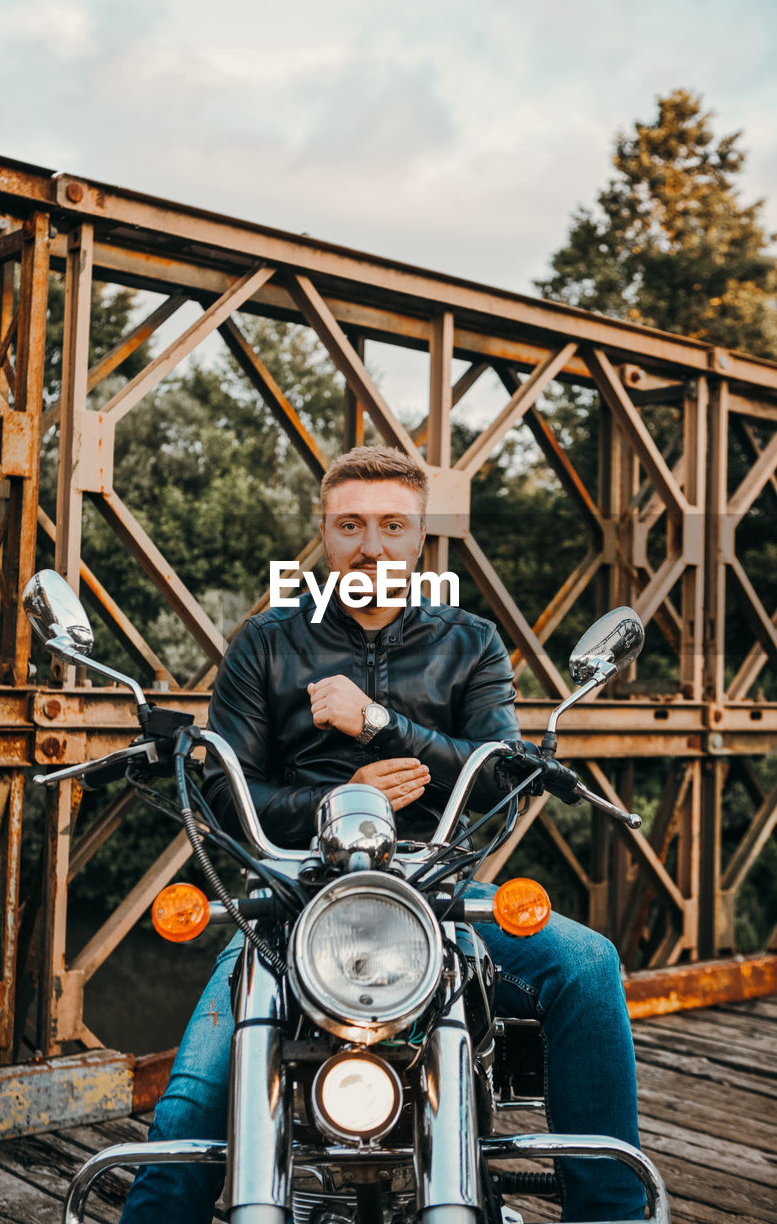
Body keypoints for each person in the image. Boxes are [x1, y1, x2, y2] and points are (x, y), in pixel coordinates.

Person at [121, 445, 645, 1224]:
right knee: (196, 1087)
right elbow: (225, 796)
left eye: (392, 525)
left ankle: (610, 1214)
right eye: (351, 524)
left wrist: (380, 724)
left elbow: (503, 771)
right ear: (324, 533)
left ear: (420, 537)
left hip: (434, 890)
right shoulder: (265, 642)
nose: (371, 545)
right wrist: (340, 795)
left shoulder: (469, 641)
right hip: (293, 894)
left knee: (585, 962)